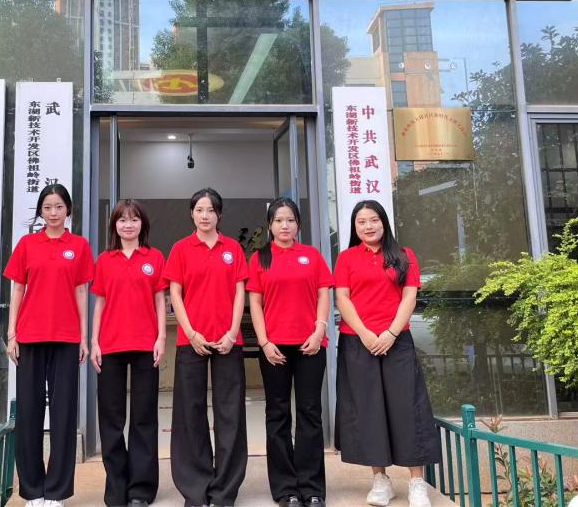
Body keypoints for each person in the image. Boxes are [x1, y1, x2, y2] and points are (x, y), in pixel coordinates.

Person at [333, 200, 441, 507]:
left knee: (408, 407)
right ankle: (380, 480)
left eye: (373, 220)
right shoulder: (347, 258)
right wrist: (366, 334)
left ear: (384, 222)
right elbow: (342, 299)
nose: (368, 226)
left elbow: (409, 297)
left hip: (397, 341)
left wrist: (391, 333)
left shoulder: (404, 256)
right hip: (358, 342)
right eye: (361, 222)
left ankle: (416, 482)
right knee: (369, 409)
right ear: (354, 227)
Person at [5, 183, 94, 507]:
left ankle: (56, 491)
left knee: (63, 415)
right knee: (29, 413)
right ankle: (33, 490)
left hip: (67, 338)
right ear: (40, 211)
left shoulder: (80, 246)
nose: (53, 213)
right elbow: (17, 289)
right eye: (47, 207)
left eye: (59, 207)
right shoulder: (28, 244)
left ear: (68, 209)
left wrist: (83, 337)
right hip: (30, 337)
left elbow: (82, 292)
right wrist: (12, 334)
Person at [165, 188, 249, 507]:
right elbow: (175, 294)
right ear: (192, 213)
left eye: (211, 210)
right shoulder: (180, 249)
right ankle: (196, 488)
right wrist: (191, 333)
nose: (205, 216)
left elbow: (240, 292)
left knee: (230, 414)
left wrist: (232, 332)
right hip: (192, 341)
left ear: (219, 215)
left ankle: (225, 490)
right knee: (191, 413)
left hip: (228, 341)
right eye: (199, 210)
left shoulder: (233, 249)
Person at [247, 198, 333, 507]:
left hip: (311, 344)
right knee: (278, 414)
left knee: (310, 413)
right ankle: (286, 489)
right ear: (270, 225)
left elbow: (324, 293)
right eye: (279, 220)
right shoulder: (260, 258)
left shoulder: (312, 256)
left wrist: (319, 330)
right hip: (274, 347)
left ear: (298, 224)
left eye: (291, 220)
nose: (285, 226)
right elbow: (255, 303)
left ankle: (312, 487)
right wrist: (264, 342)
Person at [90, 199, 168, 507]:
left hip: (146, 345)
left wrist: (161, 336)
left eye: (134, 219)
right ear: (115, 226)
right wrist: (94, 341)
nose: (128, 224)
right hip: (110, 345)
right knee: (111, 420)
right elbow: (100, 302)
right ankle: (116, 489)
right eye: (122, 220)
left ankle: (141, 491)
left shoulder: (154, 257)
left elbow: (160, 299)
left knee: (143, 418)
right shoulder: (104, 260)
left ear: (142, 225)